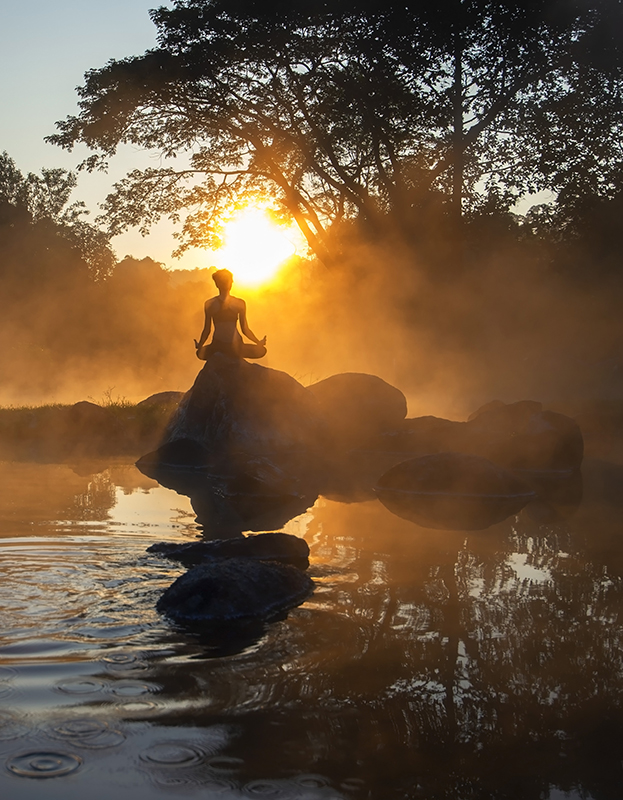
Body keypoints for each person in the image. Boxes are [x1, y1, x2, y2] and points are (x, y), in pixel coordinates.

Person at [194, 268, 267, 360]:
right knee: (261, 350)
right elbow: (245, 329)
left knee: (200, 353)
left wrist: (200, 345)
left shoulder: (210, 303)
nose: (232, 282)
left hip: (222, 345)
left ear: (217, 284)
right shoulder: (238, 303)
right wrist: (258, 342)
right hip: (228, 345)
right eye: (230, 281)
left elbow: (207, 330)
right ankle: (236, 353)